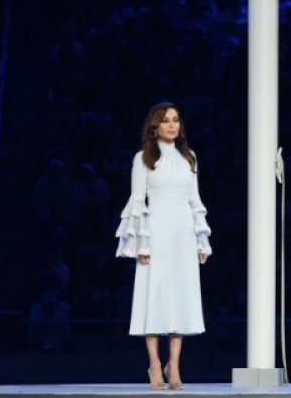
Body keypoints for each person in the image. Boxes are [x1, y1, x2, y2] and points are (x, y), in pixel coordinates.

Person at [115, 102, 212, 390]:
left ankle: (175, 365)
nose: (172, 125)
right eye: (166, 120)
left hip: (183, 234)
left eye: (176, 120)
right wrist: (141, 244)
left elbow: (194, 200)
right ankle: (155, 365)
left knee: (179, 296)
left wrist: (201, 241)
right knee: (154, 296)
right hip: (155, 233)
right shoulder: (143, 157)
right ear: (154, 125)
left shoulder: (189, 157)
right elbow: (137, 200)